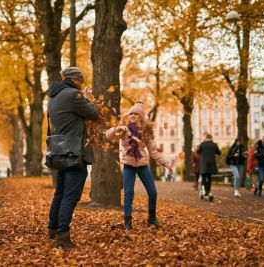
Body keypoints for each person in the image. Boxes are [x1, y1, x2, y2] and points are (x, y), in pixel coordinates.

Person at [47, 67, 99, 248]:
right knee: (71, 196)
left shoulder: (53, 97)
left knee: (60, 193)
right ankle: (62, 236)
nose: (81, 86)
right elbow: (94, 113)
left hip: (60, 151)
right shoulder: (74, 95)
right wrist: (85, 97)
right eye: (81, 83)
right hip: (75, 152)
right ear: (77, 80)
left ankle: (52, 230)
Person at [106, 102, 173, 232]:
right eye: (131, 113)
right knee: (128, 194)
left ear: (141, 117)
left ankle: (152, 217)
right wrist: (116, 129)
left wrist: (167, 163)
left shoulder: (146, 132)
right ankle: (127, 222)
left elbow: (154, 152)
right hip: (128, 166)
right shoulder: (124, 128)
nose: (132, 116)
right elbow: (109, 136)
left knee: (153, 192)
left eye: (135, 114)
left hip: (142, 165)